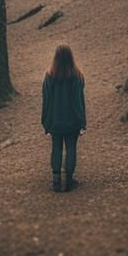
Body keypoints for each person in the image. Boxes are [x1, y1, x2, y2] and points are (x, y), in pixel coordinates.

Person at [41, 44, 86, 192]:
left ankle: (56, 181)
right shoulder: (77, 76)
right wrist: (81, 121)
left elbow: (46, 101)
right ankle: (68, 180)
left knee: (56, 147)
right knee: (71, 147)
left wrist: (46, 121)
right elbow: (79, 101)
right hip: (72, 121)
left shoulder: (49, 76)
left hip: (55, 121)